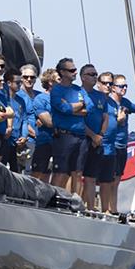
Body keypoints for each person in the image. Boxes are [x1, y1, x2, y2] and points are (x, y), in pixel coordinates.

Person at [50, 58, 88, 192]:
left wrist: (70, 108)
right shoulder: (56, 90)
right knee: (60, 172)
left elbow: (88, 109)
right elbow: (62, 108)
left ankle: (75, 202)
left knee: (77, 173)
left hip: (81, 137)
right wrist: (78, 107)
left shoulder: (79, 90)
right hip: (64, 137)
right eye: (72, 70)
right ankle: (53, 199)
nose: (75, 72)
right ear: (62, 72)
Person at [109, 73, 135, 212]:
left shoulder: (126, 103)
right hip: (110, 145)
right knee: (108, 180)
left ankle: (114, 209)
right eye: (121, 86)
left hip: (122, 146)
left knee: (117, 179)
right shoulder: (108, 102)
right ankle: (107, 208)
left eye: (125, 86)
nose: (124, 88)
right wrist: (118, 121)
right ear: (113, 88)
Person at [80, 64, 109, 210]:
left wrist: (100, 136)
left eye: (95, 74)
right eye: (91, 74)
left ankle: (90, 209)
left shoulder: (101, 96)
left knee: (91, 177)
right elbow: (78, 119)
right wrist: (92, 135)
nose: (94, 76)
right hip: (81, 139)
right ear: (83, 77)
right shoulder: (77, 93)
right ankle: (74, 204)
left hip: (97, 140)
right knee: (76, 174)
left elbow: (105, 118)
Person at [31, 68, 58, 182]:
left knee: (57, 172)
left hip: (59, 142)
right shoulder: (41, 99)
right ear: (51, 82)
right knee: (38, 172)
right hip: (44, 142)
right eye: (59, 79)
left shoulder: (62, 99)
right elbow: (48, 122)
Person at [97, 72, 118, 212]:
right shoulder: (94, 99)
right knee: (86, 178)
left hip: (110, 149)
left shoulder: (113, 103)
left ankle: (105, 210)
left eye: (110, 83)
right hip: (95, 144)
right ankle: (85, 206)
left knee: (107, 181)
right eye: (105, 83)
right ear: (98, 84)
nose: (108, 86)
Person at [4, 68, 29, 172]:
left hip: (16, 142)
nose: (20, 85)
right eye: (17, 82)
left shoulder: (21, 100)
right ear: (9, 83)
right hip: (5, 140)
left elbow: (24, 119)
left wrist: (24, 135)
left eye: (21, 82)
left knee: (16, 172)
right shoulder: (2, 98)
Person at [16, 64, 39, 169]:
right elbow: (22, 118)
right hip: (27, 140)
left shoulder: (39, 95)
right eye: (25, 77)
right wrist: (34, 134)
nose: (29, 79)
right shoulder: (17, 95)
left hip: (40, 140)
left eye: (32, 77)